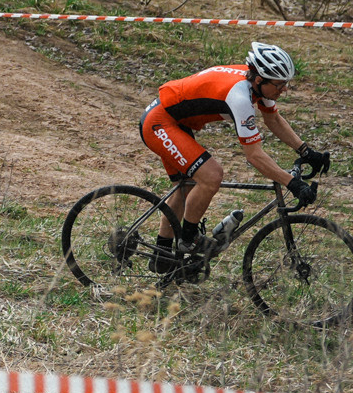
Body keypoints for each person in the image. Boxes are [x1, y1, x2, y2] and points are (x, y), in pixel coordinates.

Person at [139, 41, 329, 276]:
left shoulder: (257, 84)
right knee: (211, 176)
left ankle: (162, 256)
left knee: (185, 186)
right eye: (280, 85)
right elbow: (254, 155)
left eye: (286, 84)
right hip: (160, 123)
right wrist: (292, 183)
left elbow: (273, 120)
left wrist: (306, 152)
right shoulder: (239, 96)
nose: (284, 90)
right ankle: (187, 240)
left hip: (176, 122)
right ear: (260, 79)